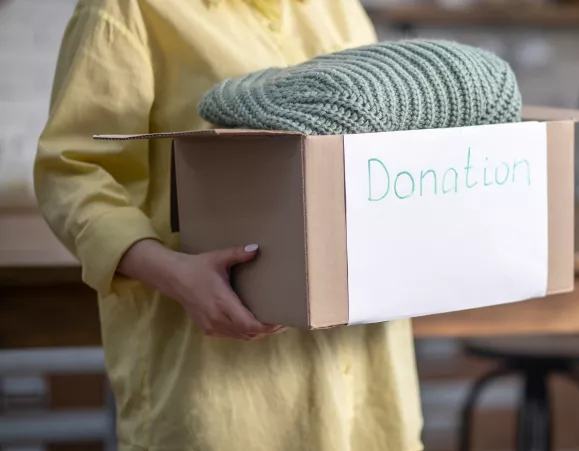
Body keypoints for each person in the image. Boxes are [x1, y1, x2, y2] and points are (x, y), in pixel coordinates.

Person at [34, 1, 423, 450]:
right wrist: (176, 275)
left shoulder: (338, 8)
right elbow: (74, 170)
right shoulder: (127, 10)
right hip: (222, 395)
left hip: (369, 385)